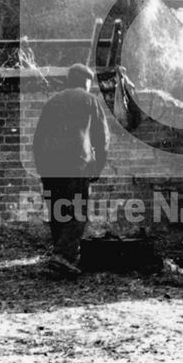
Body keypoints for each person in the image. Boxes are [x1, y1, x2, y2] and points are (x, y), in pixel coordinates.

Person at [32, 63, 111, 276]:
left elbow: (38, 140)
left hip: (50, 166)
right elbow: (102, 139)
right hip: (77, 165)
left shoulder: (51, 102)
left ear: (68, 80)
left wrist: (41, 168)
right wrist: (98, 167)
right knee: (77, 214)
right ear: (87, 83)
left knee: (58, 212)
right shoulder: (90, 101)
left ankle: (63, 258)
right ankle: (62, 257)